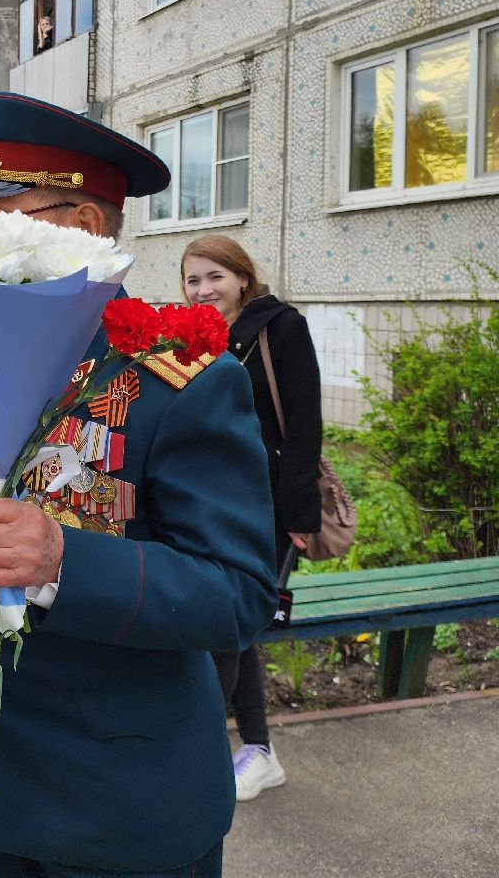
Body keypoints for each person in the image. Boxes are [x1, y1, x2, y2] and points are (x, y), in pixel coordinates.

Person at [0, 92, 277, 877]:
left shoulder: (178, 380)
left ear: (79, 227)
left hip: (123, 809)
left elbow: (241, 593)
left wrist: (63, 564)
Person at [182, 234, 321, 802]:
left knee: (231, 629)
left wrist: (299, 516)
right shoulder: (194, 336)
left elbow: (305, 423)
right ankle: (258, 752)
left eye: (215, 276)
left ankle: (205, 753)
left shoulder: (279, 327)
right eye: (193, 279)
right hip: (211, 502)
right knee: (234, 628)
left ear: (243, 277)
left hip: (267, 508)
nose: (204, 289)